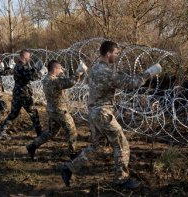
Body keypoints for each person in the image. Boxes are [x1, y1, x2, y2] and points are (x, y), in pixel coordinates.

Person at [60, 41, 163, 189]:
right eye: (116, 53)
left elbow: (92, 82)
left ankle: (69, 168)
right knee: (122, 145)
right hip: (103, 113)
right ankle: (121, 180)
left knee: (97, 147)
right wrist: (151, 71)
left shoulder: (94, 68)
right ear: (108, 54)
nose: (118, 55)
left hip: (93, 112)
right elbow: (131, 83)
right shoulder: (107, 72)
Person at [26, 60, 87, 161]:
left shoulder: (46, 79)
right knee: (72, 131)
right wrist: (78, 72)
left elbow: (61, 82)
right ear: (55, 69)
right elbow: (69, 82)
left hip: (51, 110)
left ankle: (32, 146)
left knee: (51, 132)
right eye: (60, 68)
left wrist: (62, 75)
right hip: (60, 111)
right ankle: (72, 154)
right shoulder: (53, 81)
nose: (62, 70)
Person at [0, 49, 44, 140]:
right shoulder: (22, 66)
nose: (30, 58)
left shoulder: (18, 65)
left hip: (18, 92)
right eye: (29, 56)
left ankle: (1, 132)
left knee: (14, 114)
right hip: (24, 93)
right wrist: (40, 71)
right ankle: (40, 134)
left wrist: (34, 68)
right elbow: (32, 77)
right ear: (24, 56)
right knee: (33, 113)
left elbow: (27, 74)